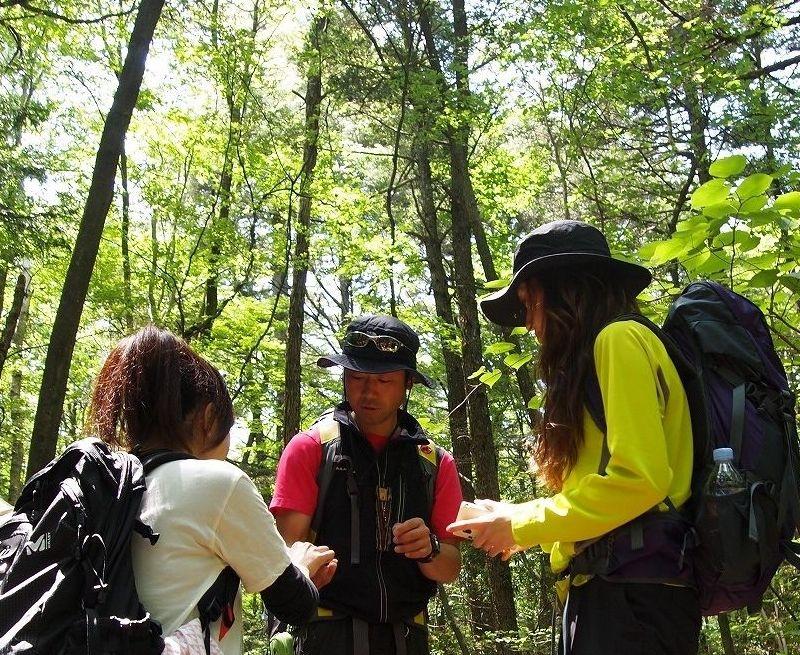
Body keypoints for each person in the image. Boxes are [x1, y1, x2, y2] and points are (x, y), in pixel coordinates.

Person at [448, 220, 701, 655]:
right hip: (616, 593)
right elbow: (603, 490)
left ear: (564, 290)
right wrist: (515, 517)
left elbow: (640, 480)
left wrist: (520, 525)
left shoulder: (619, 340)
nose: (528, 323)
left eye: (529, 303)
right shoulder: (612, 346)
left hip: (629, 602)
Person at [89, 325, 334, 655]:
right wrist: (300, 565)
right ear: (208, 418)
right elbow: (295, 605)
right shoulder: (219, 483)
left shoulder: (107, 488)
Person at [270, 314, 463, 655]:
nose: (368, 390)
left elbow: (449, 567)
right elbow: (285, 557)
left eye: (384, 380)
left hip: (406, 638)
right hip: (326, 634)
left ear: (408, 384)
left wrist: (429, 547)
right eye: (357, 377)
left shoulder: (434, 463)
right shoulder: (310, 449)